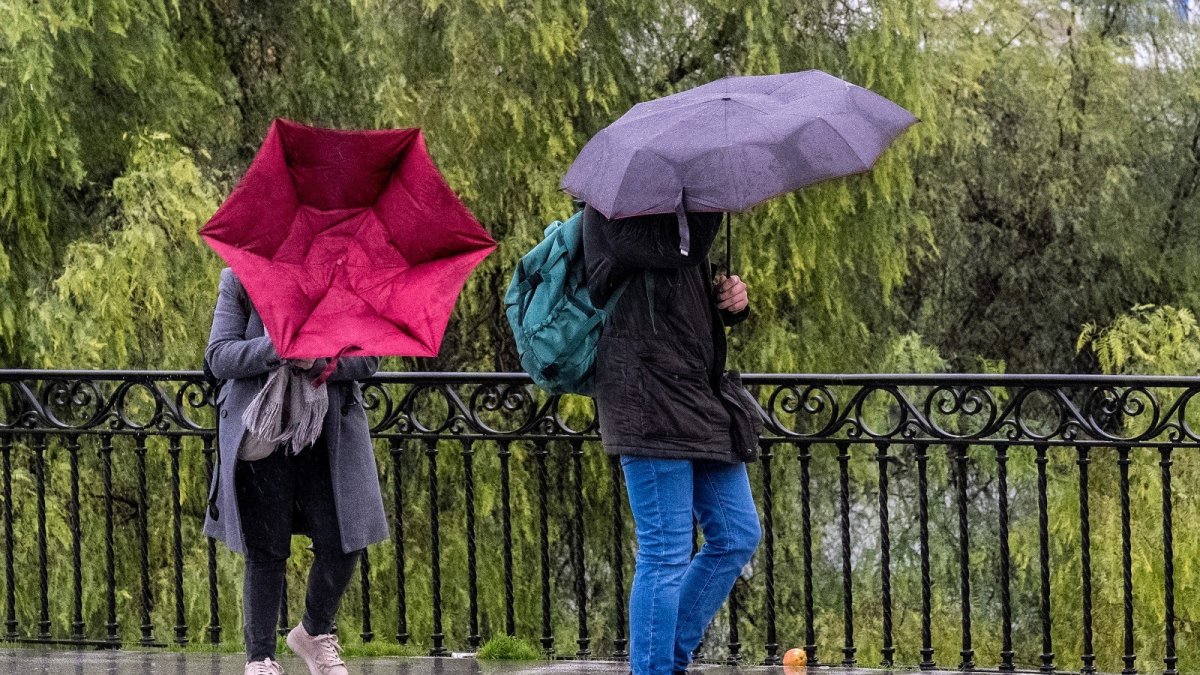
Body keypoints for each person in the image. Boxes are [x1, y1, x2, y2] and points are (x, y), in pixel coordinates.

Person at [583, 206, 762, 675]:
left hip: (698, 397)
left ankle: (668, 659)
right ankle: (654, 668)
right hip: (645, 401)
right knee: (665, 551)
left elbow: (679, 301)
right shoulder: (611, 216)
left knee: (737, 534)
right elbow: (677, 251)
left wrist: (731, 303)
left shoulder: (681, 216)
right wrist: (711, 205)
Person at [204, 268, 389, 675]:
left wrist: (317, 359)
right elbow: (219, 356)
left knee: (344, 541)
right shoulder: (241, 277)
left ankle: (313, 632)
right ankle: (260, 658)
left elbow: (369, 358)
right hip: (262, 432)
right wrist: (277, 349)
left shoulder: (349, 278)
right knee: (265, 548)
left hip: (329, 434)